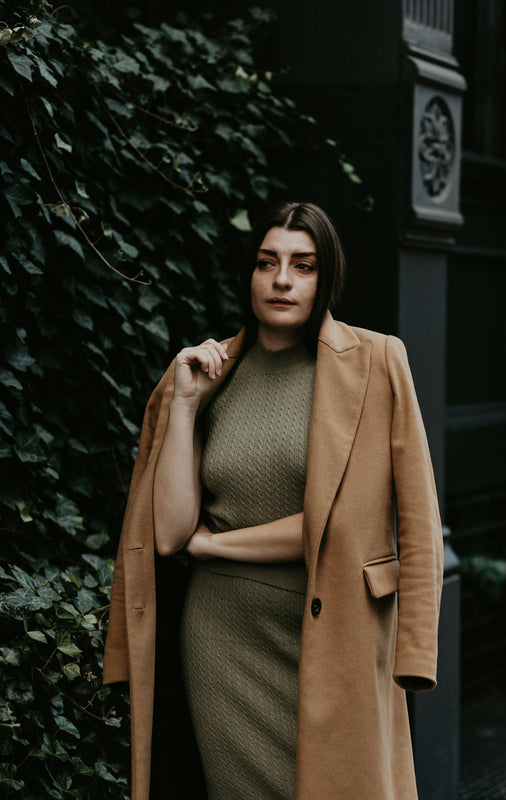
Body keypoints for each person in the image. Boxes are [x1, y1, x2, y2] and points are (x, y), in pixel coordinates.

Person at [103, 201, 444, 800]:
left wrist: (213, 543)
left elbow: (405, 518)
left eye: (302, 265)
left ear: (326, 277)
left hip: (340, 630)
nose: (282, 280)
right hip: (221, 637)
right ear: (250, 275)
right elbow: (167, 533)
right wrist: (183, 405)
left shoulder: (376, 362)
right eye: (268, 263)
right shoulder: (207, 375)